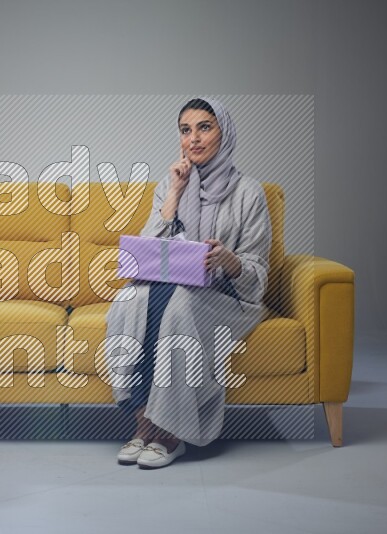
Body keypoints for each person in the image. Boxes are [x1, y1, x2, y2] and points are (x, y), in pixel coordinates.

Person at [105, 97, 273, 469]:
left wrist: (229, 260)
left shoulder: (249, 192)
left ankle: (169, 432)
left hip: (226, 296)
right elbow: (147, 255)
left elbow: (258, 272)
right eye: (185, 130)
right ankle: (143, 422)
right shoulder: (170, 184)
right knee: (132, 299)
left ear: (224, 133)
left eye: (204, 128)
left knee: (179, 304)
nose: (193, 138)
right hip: (173, 288)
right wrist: (174, 196)